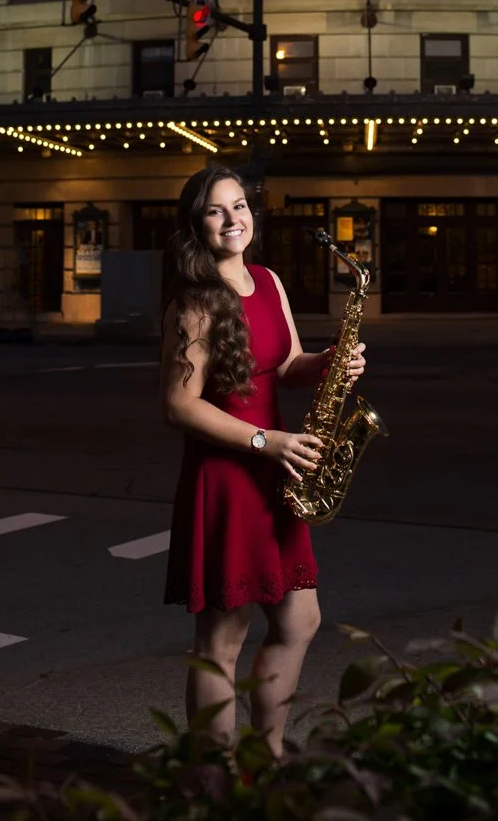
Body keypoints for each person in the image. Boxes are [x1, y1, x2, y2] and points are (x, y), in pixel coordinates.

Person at [161, 166, 365, 758]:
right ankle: (213, 773)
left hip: (278, 469)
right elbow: (178, 405)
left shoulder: (268, 281)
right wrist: (264, 441)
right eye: (216, 210)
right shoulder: (194, 304)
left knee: (299, 621)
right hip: (229, 474)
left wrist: (331, 362)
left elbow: (286, 365)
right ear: (196, 225)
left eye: (241, 206)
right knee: (222, 639)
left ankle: (267, 752)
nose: (234, 219)